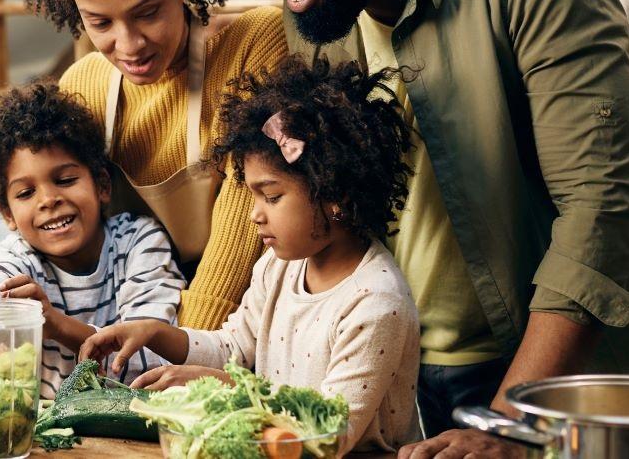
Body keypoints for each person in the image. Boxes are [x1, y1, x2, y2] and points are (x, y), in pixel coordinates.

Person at [228, 0, 629, 455]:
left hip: (538, 377)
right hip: (397, 369)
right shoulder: (318, 12)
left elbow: (601, 209)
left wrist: (514, 425)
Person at [10, 0, 289, 332]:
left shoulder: (253, 47)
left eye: (147, 13)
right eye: (100, 23)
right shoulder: (84, 85)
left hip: (246, 324)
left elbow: (242, 224)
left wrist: (182, 353)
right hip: (134, 325)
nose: (129, 44)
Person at [81, 56, 422, 454]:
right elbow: (232, 349)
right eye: (253, 195)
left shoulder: (376, 303)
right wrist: (155, 333)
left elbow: (330, 434)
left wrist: (231, 391)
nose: (254, 214)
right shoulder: (278, 266)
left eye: (272, 197)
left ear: (335, 194)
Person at [0, 83, 185, 398]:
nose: (48, 199)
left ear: (101, 185)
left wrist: (57, 325)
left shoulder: (141, 242)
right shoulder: (20, 256)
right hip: (48, 432)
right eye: (26, 193)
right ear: (8, 215)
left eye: (66, 180)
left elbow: (151, 360)